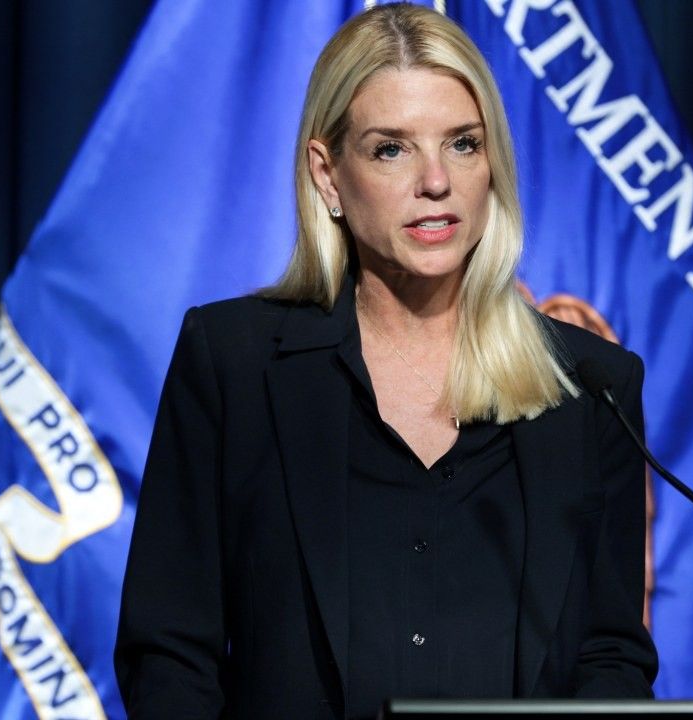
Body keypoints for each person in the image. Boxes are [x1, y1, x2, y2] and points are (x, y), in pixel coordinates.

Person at [114, 4, 657, 717]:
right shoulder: (234, 365)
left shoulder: (589, 387)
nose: (436, 181)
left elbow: (611, 655)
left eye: (463, 144)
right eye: (391, 149)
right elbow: (168, 653)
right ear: (328, 175)